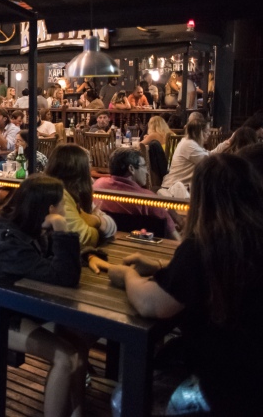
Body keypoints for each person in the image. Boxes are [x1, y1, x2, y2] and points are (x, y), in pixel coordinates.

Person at [107, 154, 263, 415]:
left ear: (203, 199)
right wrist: (159, 266)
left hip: (224, 384)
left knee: (123, 399)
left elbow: (151, 304)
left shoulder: (207, 245)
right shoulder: (251, 239)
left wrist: (127, 276)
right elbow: (204, 277)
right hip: (252, 373)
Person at [0, 175, 87, 417]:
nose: (66, 209)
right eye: (62, 204)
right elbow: (64, 276)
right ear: (50, 209)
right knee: (66, 357)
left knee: (77, 342)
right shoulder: (9, 242)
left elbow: (56, 264)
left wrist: (86, 255)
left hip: (7, 306)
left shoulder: (25, 227)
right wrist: (61, 228)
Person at [45, 144, 116, 258]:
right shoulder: (61, 196)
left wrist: (95, 220)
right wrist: (96, 224)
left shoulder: (73, 194)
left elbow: (111, 225)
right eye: (89, 164)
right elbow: (82, 239)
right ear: (81, 171)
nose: (91, 169)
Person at [94, 148, 181, 239]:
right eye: (144, 166)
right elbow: (174, 237)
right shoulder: (149, 199)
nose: (147, 172)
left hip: (107, 242)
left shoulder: (98, 186)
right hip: (143, 248)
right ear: (131, 169)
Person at [160, 119, 209, 192]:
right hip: (174, 188)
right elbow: (208, 161)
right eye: (207, 131)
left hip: (178, 186)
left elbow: (208, 155)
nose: (209, 134)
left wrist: (226, 144)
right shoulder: (189, 145)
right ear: (199, 132)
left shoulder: (189, 142)